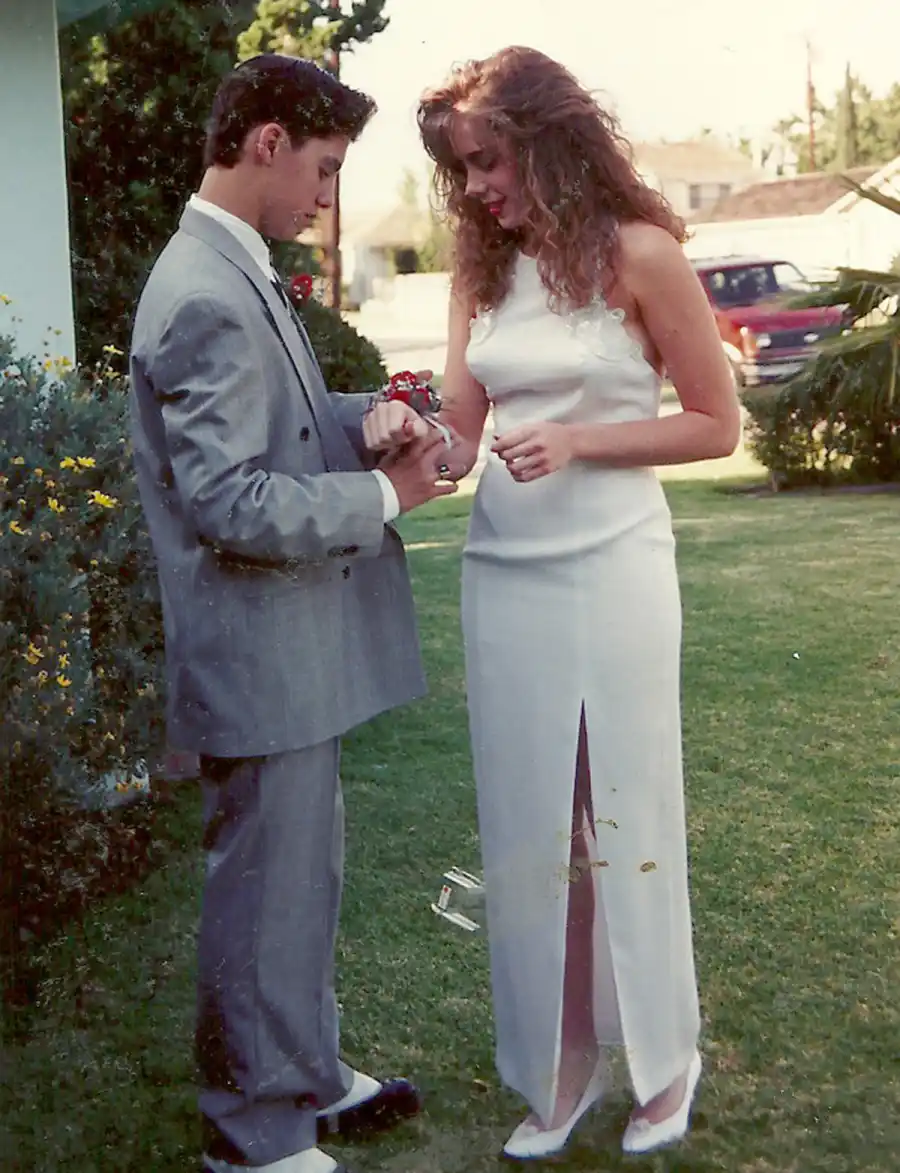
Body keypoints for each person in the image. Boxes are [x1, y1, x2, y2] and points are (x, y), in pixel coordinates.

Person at [366, 45, 741, 1161]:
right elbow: (465, 440)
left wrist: (580, 439)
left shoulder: (643, 255)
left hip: (616, 567)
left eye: (490, 161)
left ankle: (667, 1060)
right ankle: (559, 1062)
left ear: (549, 140)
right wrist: (406, 434)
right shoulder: (481, 274)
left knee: (625, 810)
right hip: (506, 580)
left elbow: (716, 426)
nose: (476, 187)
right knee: (532, 828)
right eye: (461, 169)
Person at [129, 54, 455, 1173]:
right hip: (256, 660)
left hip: (285, 656)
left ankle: (305, 1075)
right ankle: (253, 1137)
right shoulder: (207, 291)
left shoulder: (236, 268)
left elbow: (284, 425)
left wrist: (371, 422)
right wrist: (386, 494)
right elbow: (227, 501)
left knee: (299, 886)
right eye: (321, 168)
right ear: (266, 142)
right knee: (265, 899)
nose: (326, 195)